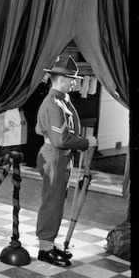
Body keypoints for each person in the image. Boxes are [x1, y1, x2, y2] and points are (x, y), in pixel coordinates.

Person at [35, 56, 96, 267]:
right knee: (52, 202)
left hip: (61, 157)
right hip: (54, 156)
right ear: (61, 79)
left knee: (57, 201)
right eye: (72, 79)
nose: (75, 82)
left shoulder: (63, 100)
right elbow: (60, 139)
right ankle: (44, 248)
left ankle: (49, 243)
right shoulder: (54, 103)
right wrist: (86, 142)